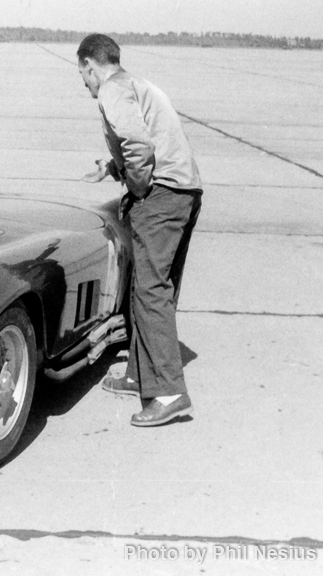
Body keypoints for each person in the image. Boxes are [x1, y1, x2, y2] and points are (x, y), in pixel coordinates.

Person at [76, 33, 203, 427]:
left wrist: (138, 187)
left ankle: (168, 393)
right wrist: (112, 168)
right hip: (184, 190)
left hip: (161, 197)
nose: (84, 83)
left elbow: (138, 144)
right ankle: (138, 374)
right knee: (148, 287)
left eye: (83, 75)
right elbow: (152, 140)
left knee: (151, 292)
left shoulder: (111, 90)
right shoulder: (140, 85)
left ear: (90, 66)